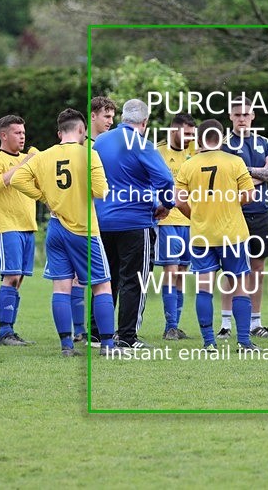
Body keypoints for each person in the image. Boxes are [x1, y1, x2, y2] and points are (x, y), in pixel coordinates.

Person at [10, 108, 124, 357]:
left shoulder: (43, 157)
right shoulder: (89, 155)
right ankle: (107, 345)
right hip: (84, 230)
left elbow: (18, 179)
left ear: (59, 132)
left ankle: (66, 346)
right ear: (82, 131)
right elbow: (101, 191)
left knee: (61, 287)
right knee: (102, 286)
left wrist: (44, 196)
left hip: (56, 227)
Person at [93, 99, 176, 349]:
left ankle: (96, 334)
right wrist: (167, 205)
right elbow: (164, 179)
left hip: (103, 221)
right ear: (145, 122)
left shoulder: (101, 142)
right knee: (135, 280)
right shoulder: (143, 144)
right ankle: (127, 337)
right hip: (135, 221)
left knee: (106, 279)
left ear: (122, 118)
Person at [174, 119, 258, 352]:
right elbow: (249, 195)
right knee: (240, 285)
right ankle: (243, 341)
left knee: (204, 288)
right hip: (233, 233)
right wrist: (233, 205)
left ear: (199, 140)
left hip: (202, 235)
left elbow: (179, 201)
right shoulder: (235, 162)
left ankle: (209, 342)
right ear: (222, 139)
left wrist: (196, 216)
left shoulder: (188, 165)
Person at [217, 96, 268, 340]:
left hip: (259, 214)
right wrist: (256, 175)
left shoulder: (264, 142)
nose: (242, 118)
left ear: (253, 116)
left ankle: (256, 322)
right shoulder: (223, 144)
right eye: (237, 114)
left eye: (246, 113)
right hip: (232, 214)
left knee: (257, 268)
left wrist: (246, 172)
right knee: (231, 270)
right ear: (230, 117)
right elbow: (224, 177)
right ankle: (225, 324)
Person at [0, 115, 38, 346]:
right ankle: (5, 333)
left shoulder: (29, 158)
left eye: (23, 132)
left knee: (19, 279)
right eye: (17, 133)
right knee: (11, 277)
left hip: (28, 225)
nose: (22, 136)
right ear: (3, 135)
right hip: (6, 226)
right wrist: (27, 163)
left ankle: (10, 332)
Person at [72, 96, 118, 345]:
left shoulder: (111, 145)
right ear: (92, 116)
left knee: (101, 277)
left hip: (107, 220)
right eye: (106, 116)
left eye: (112, 117)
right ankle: (81, 330)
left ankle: (93, 330)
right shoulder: (81, 145)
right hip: (83, 219)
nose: (110, 121)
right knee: (78, 278)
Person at [155, 113, 197, 340]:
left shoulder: (196, 151)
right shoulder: (158, 151)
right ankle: (169, 325)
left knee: (182, 272)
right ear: (173, 130)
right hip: (168, 220)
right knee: (171, 270)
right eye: (187, 133)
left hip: (190, 219)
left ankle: (175, 325)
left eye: (193, 133)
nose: (190, 137)